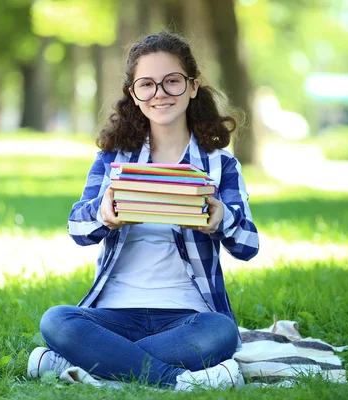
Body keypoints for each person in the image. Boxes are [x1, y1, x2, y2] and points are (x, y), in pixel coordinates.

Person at [27, 31, 259, 391]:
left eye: (172, 82)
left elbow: (248, 246)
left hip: (189, 315)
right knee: (57, 321)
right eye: (147, 85)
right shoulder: (112, 159)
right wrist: (102, 215)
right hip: (115, 312)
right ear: (133, 95)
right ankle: (182, 382)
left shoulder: (220, 165)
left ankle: (83, 364)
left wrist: (222, 220)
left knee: (223, 332)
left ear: (193, 86)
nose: (160, 93)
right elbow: (76, 227)